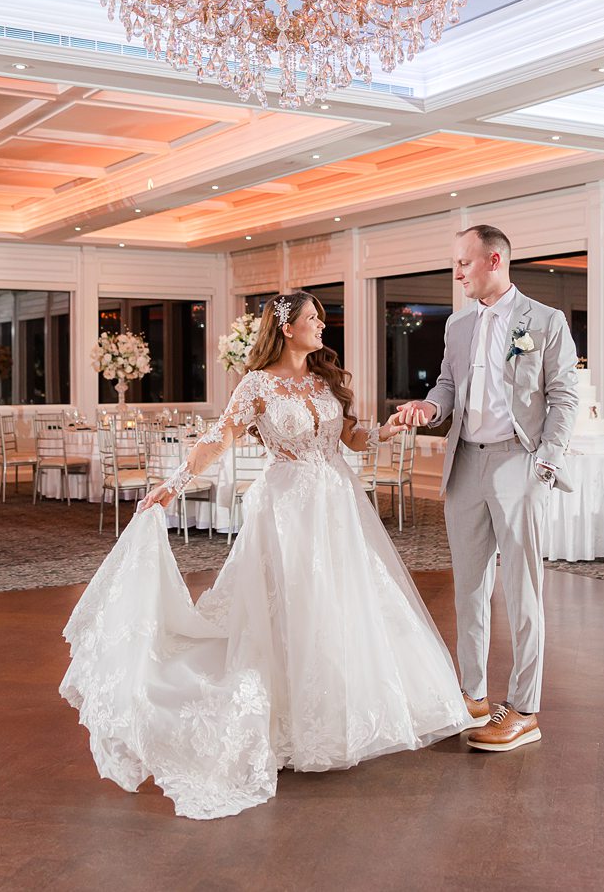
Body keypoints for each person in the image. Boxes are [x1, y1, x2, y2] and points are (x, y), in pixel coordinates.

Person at [60, 291, 476, 820]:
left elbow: (351, 437)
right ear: (285, 329)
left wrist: (388, 428)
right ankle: (287, 723)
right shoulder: (257, 385)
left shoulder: (325, 381)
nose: (322, 327)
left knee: (346, 606)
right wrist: (175, 483)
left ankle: (342, 717)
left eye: (322, 319)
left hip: (339, 509)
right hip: (287, 511)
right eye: (312, 319)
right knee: (291, 608)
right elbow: (219, 437)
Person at [392, 224, 578, 752]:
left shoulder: (545, 321)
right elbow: (448, 387)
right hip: (465, 462)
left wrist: (546, 462)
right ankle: (472, 697)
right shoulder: (457, 325)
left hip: (518, 462)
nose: (456, 274)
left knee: (522, 593)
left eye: (463, 264)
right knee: (469, 589)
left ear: (494, 260)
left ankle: (524, 709)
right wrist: (428, 408)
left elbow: (564, 397)